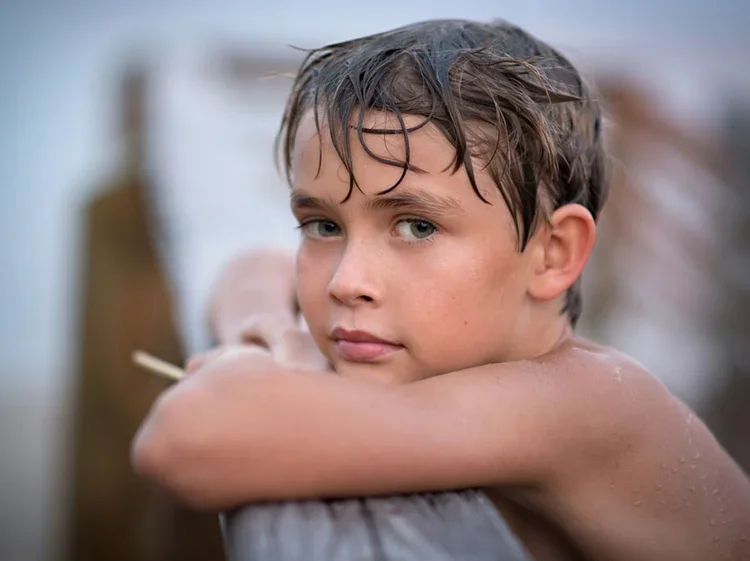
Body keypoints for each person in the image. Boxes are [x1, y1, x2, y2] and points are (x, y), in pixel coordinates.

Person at [131, 19, 750, 561]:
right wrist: (272, 330)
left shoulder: (585, 406)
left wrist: (246, 368)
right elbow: (252, 266)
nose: (348, 282)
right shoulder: (478, 362)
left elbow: (185, 439)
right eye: (323, 225)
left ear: (554, 253)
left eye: (417, 226)